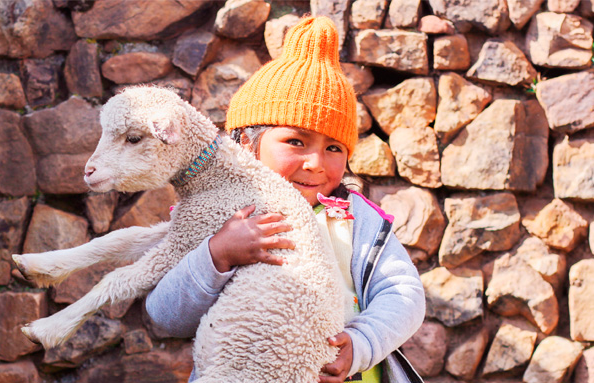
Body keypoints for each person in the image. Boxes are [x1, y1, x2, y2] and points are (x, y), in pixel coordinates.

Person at [145, 16, 425, 383]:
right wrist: (217, 254)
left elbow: (404, 295)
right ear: (247, 142)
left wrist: (361, 342)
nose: (316, 163)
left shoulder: (355, 221)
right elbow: (164, 316)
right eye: (296, 141)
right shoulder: (219, 220)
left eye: (333, 148)